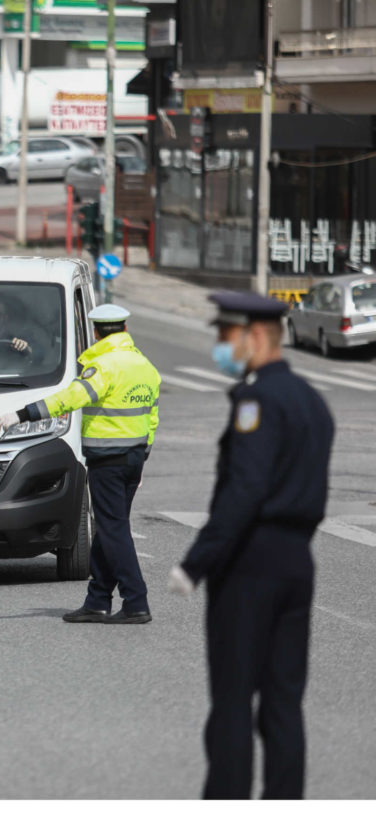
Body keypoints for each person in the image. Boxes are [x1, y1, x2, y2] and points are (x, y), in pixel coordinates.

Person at [168, 291, 333, 800]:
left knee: (234, 701)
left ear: (255, 336)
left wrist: (197, 562)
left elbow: (245, 490)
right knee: (284, 702)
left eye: (225, 335)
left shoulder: (256, 399)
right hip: (296, 561)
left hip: (250, 563)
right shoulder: (313, 400)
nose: (221, 346)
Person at [0, 303, 160, 624]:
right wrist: (144, 454)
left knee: (113, 530)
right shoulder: (144, 365)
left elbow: (69, 399)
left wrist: (21, 415)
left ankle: (136, 601)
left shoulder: (104, 367)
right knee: (110, 529)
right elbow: (152, 417)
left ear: (96, 332)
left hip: (108, 460)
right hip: (134, 459)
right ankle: (97, 600)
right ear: (124, 330)